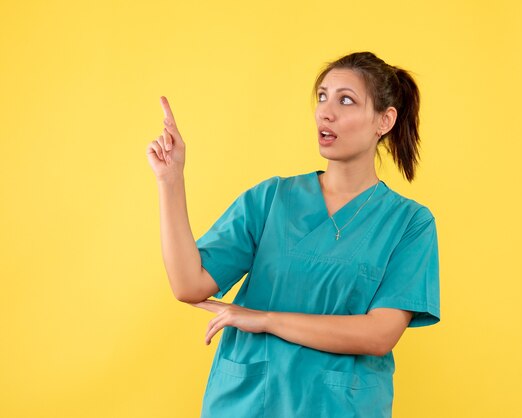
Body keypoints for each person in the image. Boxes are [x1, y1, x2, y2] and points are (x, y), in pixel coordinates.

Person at [146, 51, 441, 418]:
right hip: (248, 401)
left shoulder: (409, 223)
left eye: (345, 100)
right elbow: (189, 285)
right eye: (322, 96)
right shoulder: (271, 199)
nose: (325, 112)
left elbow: (379, 335)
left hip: (338, 408)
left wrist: (265, 319)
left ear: (384, 120)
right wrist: (170, 180)